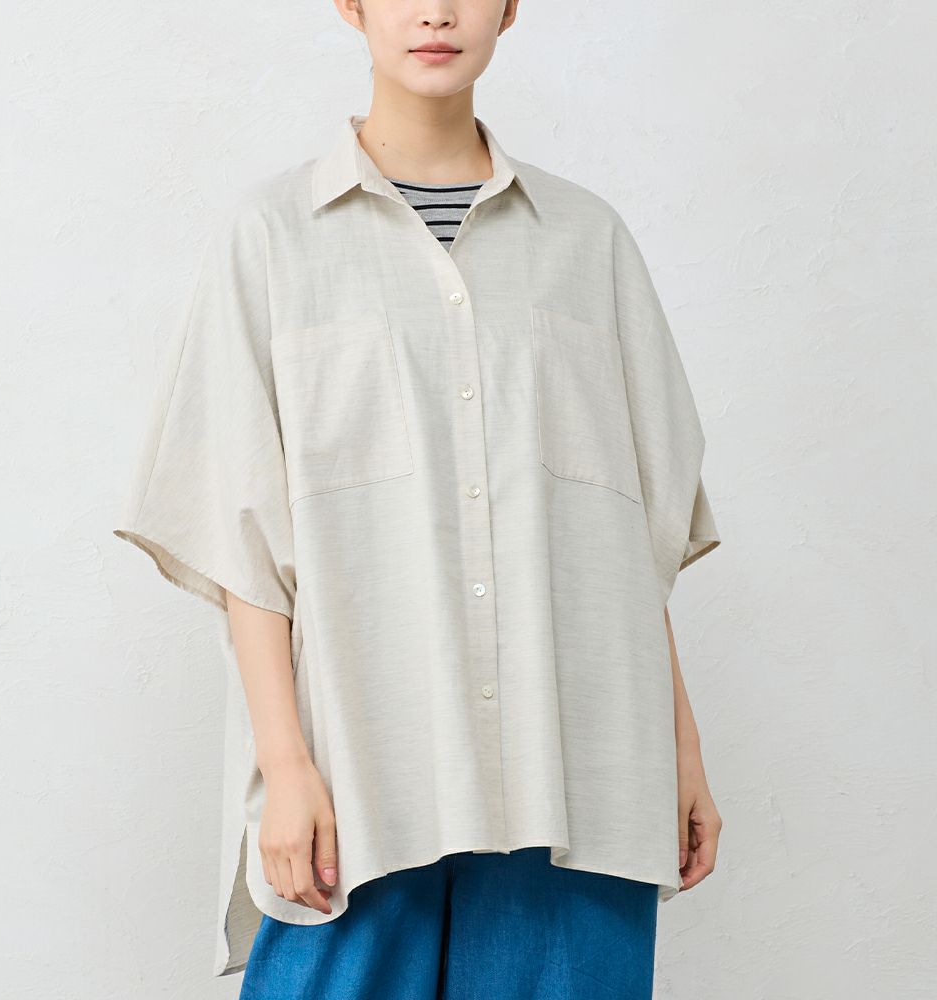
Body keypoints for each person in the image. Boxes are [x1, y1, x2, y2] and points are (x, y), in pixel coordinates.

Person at [113, 0, 725, 996]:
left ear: (510, 7)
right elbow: (241, 532)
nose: (436, 11)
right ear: (351, 5)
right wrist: (286, 766)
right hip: (365, 764)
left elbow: (628, 530)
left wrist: (681, 747)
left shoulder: (588, 242)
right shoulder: (273, 238)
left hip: (575, 765)